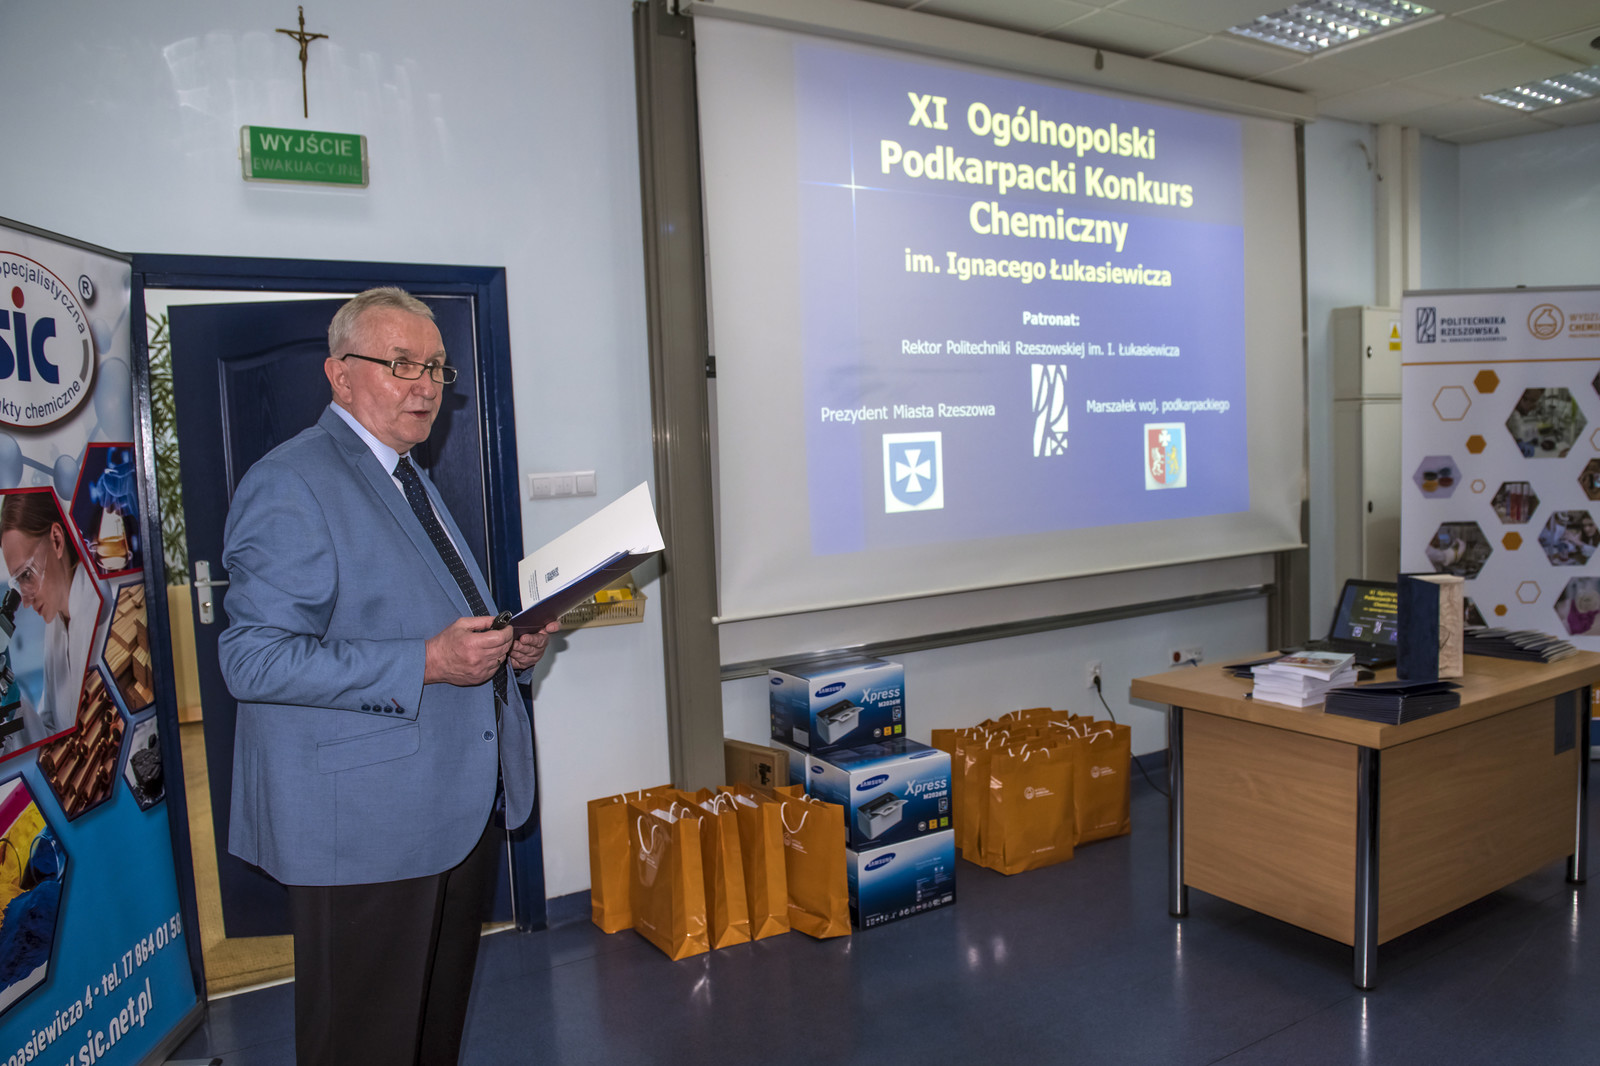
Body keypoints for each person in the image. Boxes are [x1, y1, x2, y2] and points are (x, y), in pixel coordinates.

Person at [217, 287, 559, 1066]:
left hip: (449, 810)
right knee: (364, 1044)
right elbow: (253, 658)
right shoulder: (292, 481)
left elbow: (416, 610)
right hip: (364, 827)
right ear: (339, 375)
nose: (425, 385)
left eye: (435, 367)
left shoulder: (407, 474)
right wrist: (428, 662)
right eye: (401, 363)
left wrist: (506, 648)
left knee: (428, 1035)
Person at [1, 490, 96, 739]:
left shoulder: (100, 613)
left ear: (56, 540)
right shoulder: (55, 626)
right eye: (18, 582)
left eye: (27, 574)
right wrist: (13, 706)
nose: (25, 600)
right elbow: (52, 735)